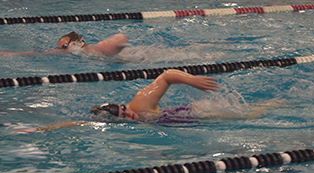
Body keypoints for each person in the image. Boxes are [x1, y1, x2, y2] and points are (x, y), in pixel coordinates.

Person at [11, 69, 285, 134]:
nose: (128, 115)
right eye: (122, 116)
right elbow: (75, 123)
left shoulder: (140, 104)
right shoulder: (127, 123)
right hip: (182, 123)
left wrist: (190, 80)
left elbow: (166, 75)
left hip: (194, 112)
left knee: (251, 116)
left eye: (124, 110)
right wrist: (41, 130)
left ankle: (281, 104)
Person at [0, 31, 128, 57]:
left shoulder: (94, 48)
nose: (62, 50)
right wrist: (8, 54)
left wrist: (110, 44)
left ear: (77, 42)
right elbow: (37, 53)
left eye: (65, 46)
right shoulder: (77, 54)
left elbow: (122, 36)